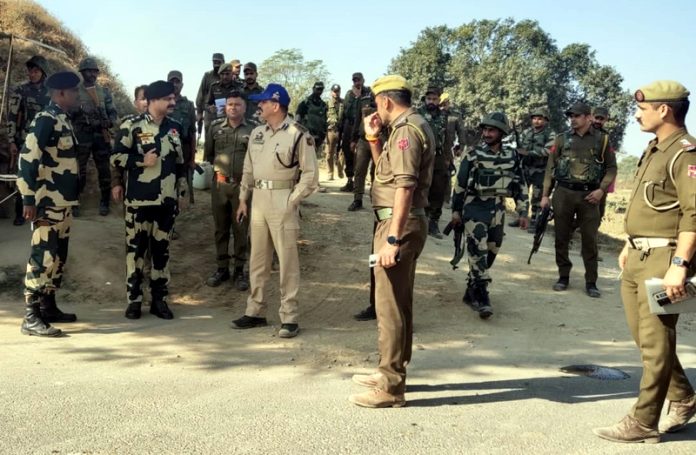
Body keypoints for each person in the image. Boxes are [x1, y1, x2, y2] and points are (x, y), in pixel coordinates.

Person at [593, 81, 696, 444]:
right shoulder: (654, 149)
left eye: (643, 108)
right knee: (645, 339)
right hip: (637, 254)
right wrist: (628, 242)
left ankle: (643, 422)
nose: (638, 114)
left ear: (664, 110)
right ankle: (683, 397)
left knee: (655, 340)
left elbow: (693, 214)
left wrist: (681, 264)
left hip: (665, 258)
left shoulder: (685, 153)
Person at [348, 75, 434, 408]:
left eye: (376, 103)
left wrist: (393, 239)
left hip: (399, 225)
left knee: (390, 307)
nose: (375, 109)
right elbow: (389, 169)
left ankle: (391, 386)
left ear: (386, 101)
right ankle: (391, 369)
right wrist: (372, 137)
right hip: (396, 221)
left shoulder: (407, 132)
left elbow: (405, 187)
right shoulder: (406, 127)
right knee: (397, 301)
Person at [231, 84, 318, 338]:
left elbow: (310, 176)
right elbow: (249, 167)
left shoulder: (298, 134)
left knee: (287, 261)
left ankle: (289, 317)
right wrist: (243, 198)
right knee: (257, 259)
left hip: (283, 198)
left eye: (263, 102)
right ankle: (255, 311)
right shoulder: (258, 133)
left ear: (276, 105)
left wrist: (292, 200)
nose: (259, 106)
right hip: (258, 199)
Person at [110, 81, 188, 320]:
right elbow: (116, 157)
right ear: (153, 100)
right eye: (168, 99)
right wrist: (142, 161)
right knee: (135, 254)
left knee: (161, 253)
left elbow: (180, 163)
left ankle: (159, 300)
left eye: (173, 98)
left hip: (166, 203)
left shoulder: (175, 127)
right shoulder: (131, 126)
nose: (173, 103)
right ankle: (134, 301)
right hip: (139, 202)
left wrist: (182, 191)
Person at [16, 71, 82, 337]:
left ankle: (48, 305)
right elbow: (28, 160)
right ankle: (31, 316)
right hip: (46, 202)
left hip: (62, 203)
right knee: (42, 256)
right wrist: (28, 198)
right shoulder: (45, 120)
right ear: (61, 93)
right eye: (74, 91)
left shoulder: (62, 120)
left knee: (58, 257)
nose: (77, 95)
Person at [451, 112, 529, 319]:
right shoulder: (473, 154)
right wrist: (456, 211)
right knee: (478, 250)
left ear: (501, 133)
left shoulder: (512, 156)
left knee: (493, 249)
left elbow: (519, 184)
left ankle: (471, 289)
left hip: (498, 209)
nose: (486, 133)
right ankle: (482, 295)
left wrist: (523, 210)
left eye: (491, 130)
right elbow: (459, 185)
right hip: (474, 208)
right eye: (484, 129)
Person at [541, 101, 617, 298]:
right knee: (561, 237)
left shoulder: (602, 140)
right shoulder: (561, 139)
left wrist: (601, 190)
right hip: (563, 193)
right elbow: (550, 168)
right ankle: (563, 276)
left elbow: (611, 168)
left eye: (577, 116)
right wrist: (544, 196)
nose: (573, 119)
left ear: (588, 117)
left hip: (590, 196)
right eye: (571, 116)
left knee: (590, 240)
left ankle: (591, 281)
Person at [204, 91, 255, 291]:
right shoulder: (215, 127)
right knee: (221, 228)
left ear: (244, 107)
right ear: (225, 107)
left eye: (237, 104)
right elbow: (209, 154)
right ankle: (222, 268)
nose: (233, 107)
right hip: (220, 185)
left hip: (243, 187)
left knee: (241, 228)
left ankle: (240, 270)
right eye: (230, 104)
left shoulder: (254, 129)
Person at [7, 55, 51, 226]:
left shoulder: (51, 93)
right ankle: (20, 212)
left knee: (45, 175)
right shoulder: (21, 90)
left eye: (36, 71)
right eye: (30, 71)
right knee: (24, 175)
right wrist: (11, 140)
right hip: (26, 141)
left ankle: (42, 210)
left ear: (43, 72)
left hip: (46, 142)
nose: (32, 74)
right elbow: (12, 117)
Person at [72, 57, 118, 216]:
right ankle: (74, 201)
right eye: (87, 71)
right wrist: (81, 115)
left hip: (100, 135)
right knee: (79, 170)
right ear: (82, 72)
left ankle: (105, 201)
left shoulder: (104, 92)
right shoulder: (75, 91)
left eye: (93, 71)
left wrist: (109, 123)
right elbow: (69, 113)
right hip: (82, 134)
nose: (91, 74)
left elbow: (113, 113)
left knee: (104, 170)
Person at [512, 107, 555, 232]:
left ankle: (535, 221)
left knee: (537, 197)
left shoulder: (550, 134)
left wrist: (528, 153)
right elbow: (520, 146)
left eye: (540, 119)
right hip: (525, 167)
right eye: (534, 118)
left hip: (540, 170)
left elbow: (548, 151)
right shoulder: (526, 132)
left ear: (545, 121)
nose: (536, 121)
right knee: (521, 194)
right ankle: (521, 217)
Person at [418, 87, 450, 238]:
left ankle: (434, 222)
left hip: (438, 156)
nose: (431, 101)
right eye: (429, 99)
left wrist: (448, 156)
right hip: (421, 154)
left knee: (438, 188)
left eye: (434, 99)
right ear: (425, 99)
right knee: (421, 185)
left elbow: (447, 138)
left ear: (439, 100)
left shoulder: (444, 116)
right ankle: (419, 219)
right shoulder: (418, 113)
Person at [110, 85, 148, 205]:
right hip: (134, 189)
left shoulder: (167, 126)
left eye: (150, 98)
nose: (147, 102)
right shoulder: (129, 126)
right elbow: (117, 156)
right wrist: (116, 183)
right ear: (136, 103)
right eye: (143, 99)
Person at [167, 70, 197, 204]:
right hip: (165, 148)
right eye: (171, 81)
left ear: (182, 84)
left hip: (183, 148)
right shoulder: (162, 102)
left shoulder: (189, 105)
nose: (174, 84)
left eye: (177, 81)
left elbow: (192, 132)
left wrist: (192, 159)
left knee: (182, 182)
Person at [340, 72, 371, 192]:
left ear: (363, 80)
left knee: (361, 155)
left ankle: (361, 185)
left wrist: (360, 97)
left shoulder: (369, 92)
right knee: (348, 152)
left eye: (359, 80)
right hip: (350, 125)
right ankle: (349, 180)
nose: (357, 83)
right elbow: (346, 111)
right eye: (355, 81)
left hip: (363, 126)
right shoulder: (349, 94)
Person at [592, 106, 614, 221]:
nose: (598, 121)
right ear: (591, 117)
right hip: (580, 177)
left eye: (602, 119)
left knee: (599, 212)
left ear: (605, 120)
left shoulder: (606, 137)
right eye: (597, 118)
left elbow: (610, 163)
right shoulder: (582, 131)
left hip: (599, 178)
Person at [196, 52, 225, 136]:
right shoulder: (207, 75)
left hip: (223, 112)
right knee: (209, 137)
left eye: (218, 62)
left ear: (223, 62)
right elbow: (200, 94)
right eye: (214, 62)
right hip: (209, 111)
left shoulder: (226, 75)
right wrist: (199, 112)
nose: (216, 65)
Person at [296, 82, 328, 156]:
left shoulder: (323, 105)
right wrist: (302, 133)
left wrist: (323, 134)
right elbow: (297, 119)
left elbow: (325, 121)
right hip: (306, 136)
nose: (319, 91)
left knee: (312, 159)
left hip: (318, 138)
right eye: (318, 89)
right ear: (313, 89)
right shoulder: (305, 103)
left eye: (321, 89)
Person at [325, 84, 344, 180]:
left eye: (338, 91)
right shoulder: (327, 104)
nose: (336, 93)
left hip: (341, 131)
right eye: (334, 91)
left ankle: (340, 171)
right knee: (329, 153)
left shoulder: (344, 103)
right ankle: (330, 173)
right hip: (331, 130)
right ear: (331, 92)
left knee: (341, 153)